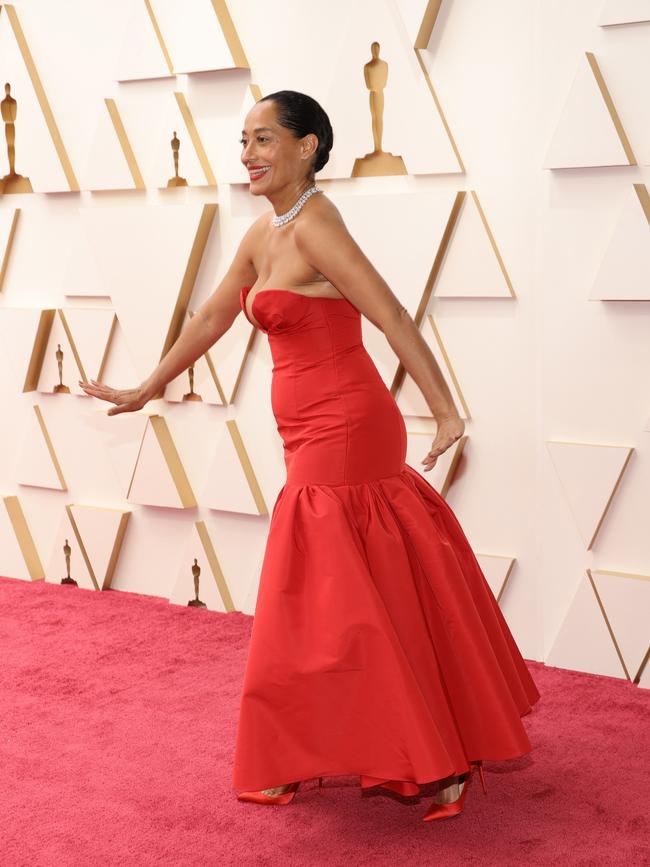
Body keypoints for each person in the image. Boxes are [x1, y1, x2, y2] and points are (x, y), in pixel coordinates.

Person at [80, 90, 540, 821]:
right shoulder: (267, 232)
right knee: (360, 597)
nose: (249, 154)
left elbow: (388, 312)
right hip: (307, 435)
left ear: (310, 146)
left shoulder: (318, 225)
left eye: (265, 139)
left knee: (331, 600)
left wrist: (447, 408)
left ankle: (417, 755)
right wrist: (147, 386)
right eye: (244, 141)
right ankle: (390, 748)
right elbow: (211, 314)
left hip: (349, 428)